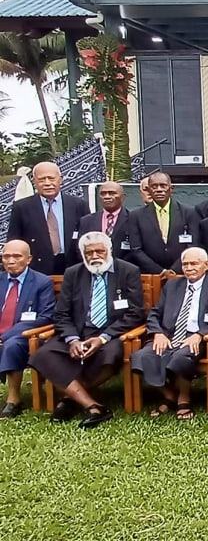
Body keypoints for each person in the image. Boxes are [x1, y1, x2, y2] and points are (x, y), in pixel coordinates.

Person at [28, 232, 144, 428]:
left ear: (109, 251)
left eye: (100, 251)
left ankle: (69, 399)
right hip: (78, 331)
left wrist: (103, 338)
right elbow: (61, 314)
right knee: (43, 354)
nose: (95, 256)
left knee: (111, 355)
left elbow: (136, 313)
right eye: (89, 253)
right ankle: (93, 406)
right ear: (83, 254)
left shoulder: (128, 271)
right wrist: (72, 339)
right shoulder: (73, 273)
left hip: (111, 333)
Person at [131, 247, 208, 421]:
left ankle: (184, 398)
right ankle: (169, 394)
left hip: (199, 338)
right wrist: (158, 333)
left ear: (206, 265)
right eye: (185, 264)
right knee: (141, 356)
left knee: (181, 355)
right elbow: (155, 313)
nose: (189, 268)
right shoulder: (172, 285)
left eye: (194, 263)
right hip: (169, 335)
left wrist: (201, 334)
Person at [0, 240, 56, 418]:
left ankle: (13, 399)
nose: (11, 261)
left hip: (26, 335)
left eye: (17, 256)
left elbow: (46, 316)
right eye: (6, 256)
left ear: (29, 259)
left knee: (13, 344)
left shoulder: (42, 282)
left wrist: (6, 336)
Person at [7, 161, 90, 276]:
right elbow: (14, 239)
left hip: (73, 267)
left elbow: (88, 237)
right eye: (41, 179)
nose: (47, 183)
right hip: (36, 269)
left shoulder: (79, 205)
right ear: (34, 182)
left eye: (51, 178)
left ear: (60, 180)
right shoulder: (22, 207)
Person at [128, 171, 199, 278]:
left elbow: (193, 244)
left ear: (171, 189)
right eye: (154, 186)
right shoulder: (136, 215)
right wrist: (160, 271)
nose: (159, 190)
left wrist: (174, 270)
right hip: (151, 275)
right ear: (149, 190)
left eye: (163, 186)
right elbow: (136, 249)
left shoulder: (188, 212)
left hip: (182, 273)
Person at [75, 181, 132, 263]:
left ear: (122, 197)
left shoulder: (133, 219)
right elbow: (80, 247)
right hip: (94, 267)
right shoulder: (86, 221)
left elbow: (135, 249)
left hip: (124, 270)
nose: (107, 197)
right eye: (103, 194)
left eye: (112, 193)